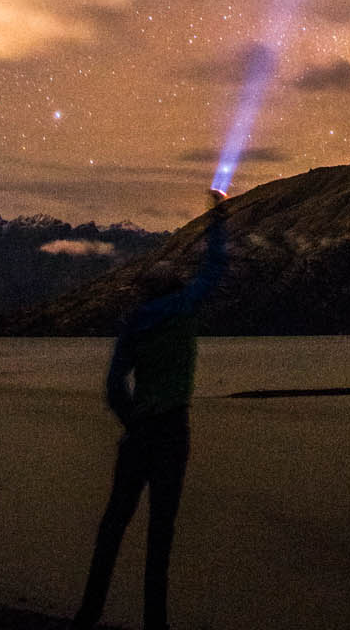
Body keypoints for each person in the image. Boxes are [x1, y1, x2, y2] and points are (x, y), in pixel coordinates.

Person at [74, 187, 228, 630]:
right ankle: (154, 623)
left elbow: (113, 385)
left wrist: (131, 421)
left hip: (141, 432)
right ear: (174, 286)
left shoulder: (135, 323)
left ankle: (88, 614)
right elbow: (215, 266)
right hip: (174, 431)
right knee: (161, 533)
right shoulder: (186, 307)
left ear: (147, 290)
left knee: (114, 524)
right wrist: (219, 218)